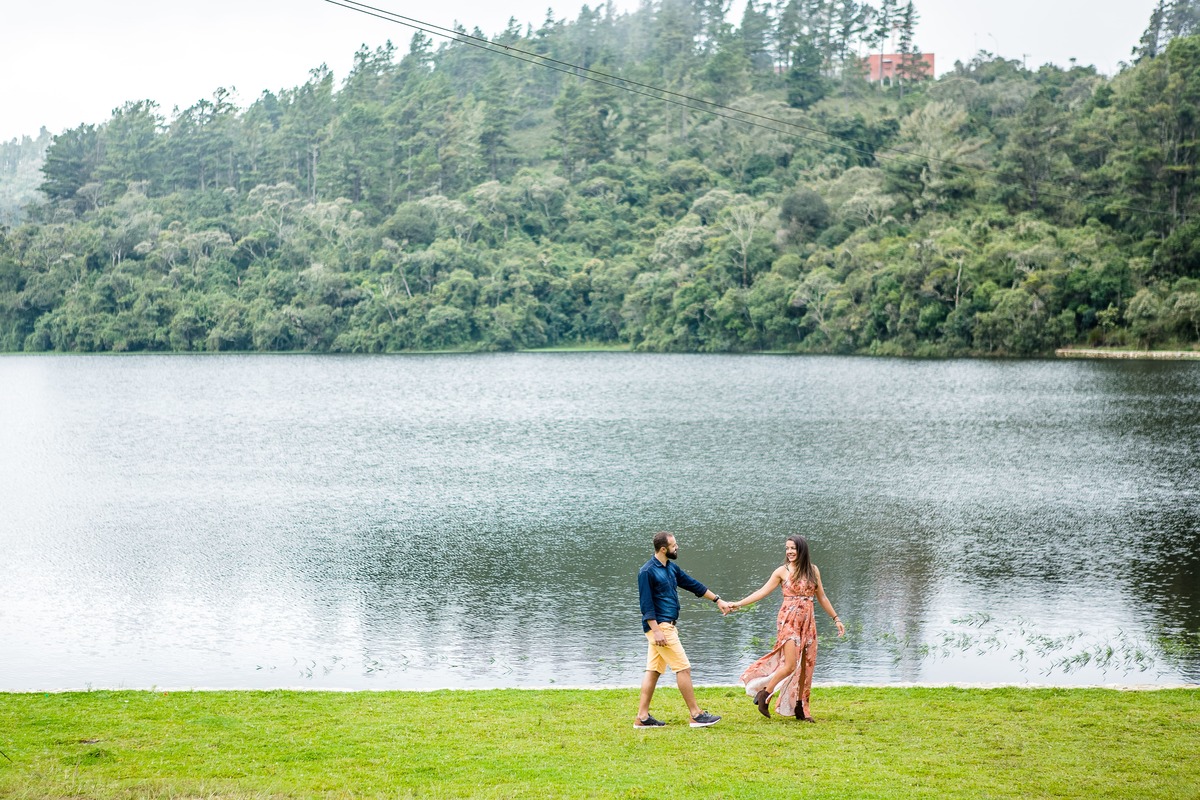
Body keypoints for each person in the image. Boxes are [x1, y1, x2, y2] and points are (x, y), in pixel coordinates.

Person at [729, 535, 844, 722]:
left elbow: (821, 596)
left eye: (793, 548)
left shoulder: (813, 570)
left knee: (806, 666)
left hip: (808, 621)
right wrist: (738, 604)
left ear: (802, 550)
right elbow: (762, 592)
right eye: (787, 548)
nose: (789, 552)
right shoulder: (782, 571)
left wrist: (836, 618)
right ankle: (764, 695)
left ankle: (800, 708)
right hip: (788, 621)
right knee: (790, 664)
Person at [635, 531, 731, 729]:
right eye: (674, 545)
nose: (677, 547)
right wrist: (656, 631)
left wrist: (717, 600)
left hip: (666, 626)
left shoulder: (671, 568)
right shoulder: (646, 572)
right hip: (660, 628)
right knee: (683, 668)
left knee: (653, 671)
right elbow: (646, 605)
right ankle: (696, 714)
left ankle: (642, 718)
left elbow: (693, 584)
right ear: (664, 549)